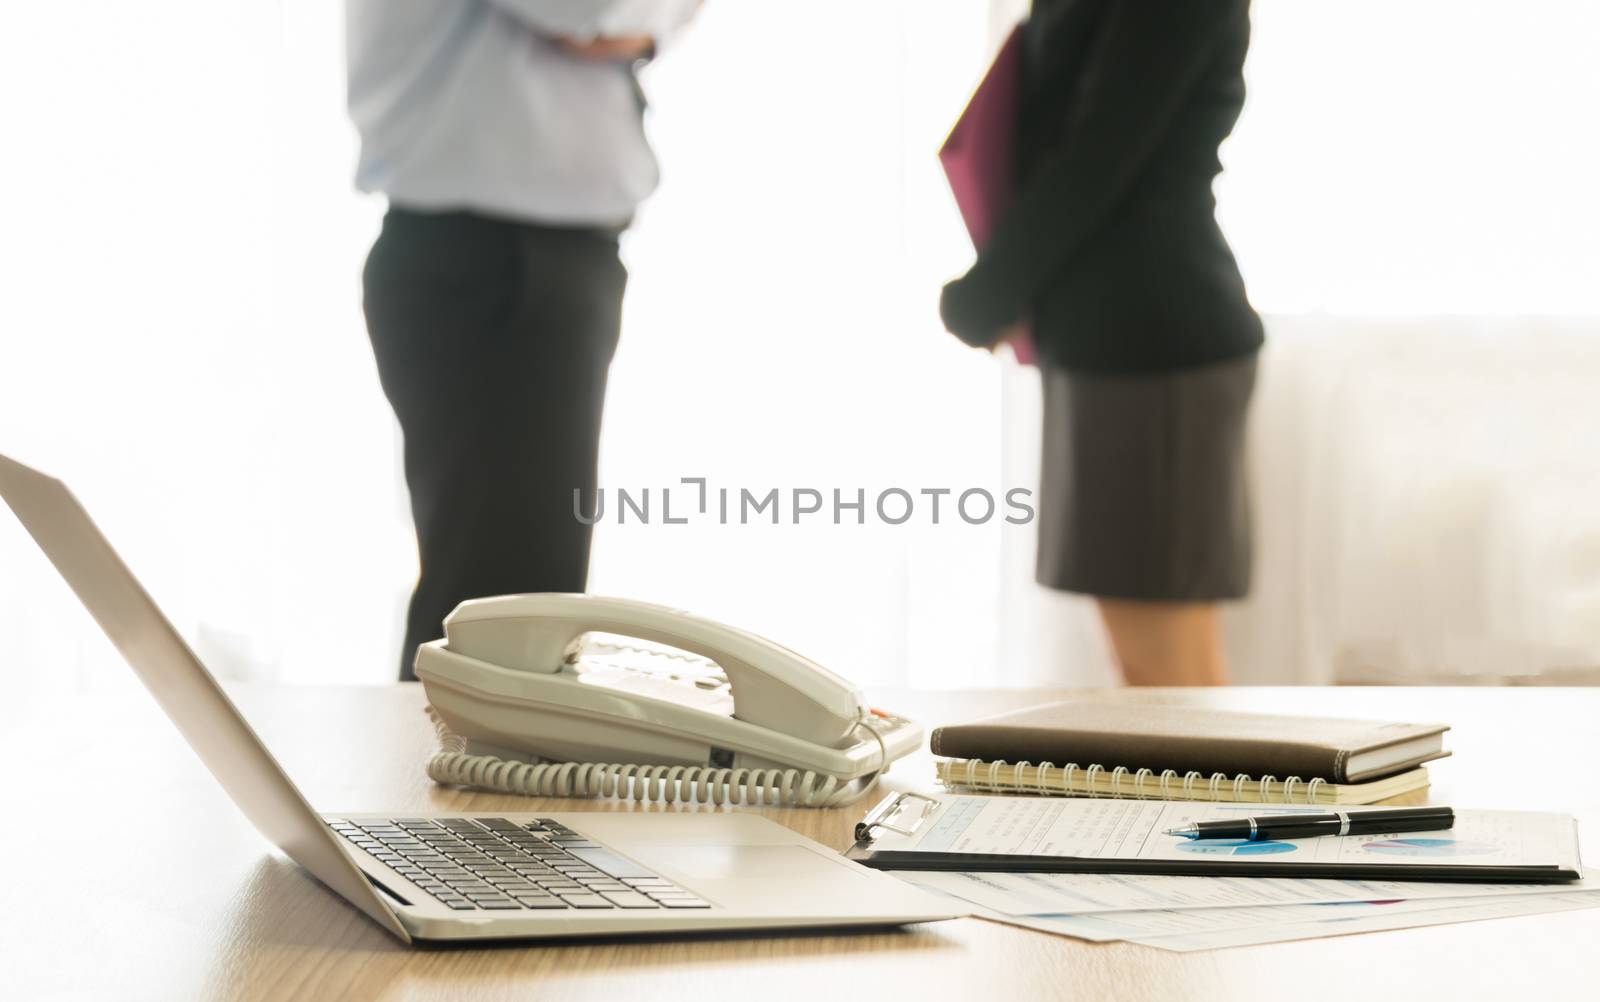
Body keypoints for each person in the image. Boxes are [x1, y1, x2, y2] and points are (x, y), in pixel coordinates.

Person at [346, 0, 700, 679]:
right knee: (503, 619)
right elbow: (588, 9)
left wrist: (627, 27)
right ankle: (436, 786)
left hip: (538, 258)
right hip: (491, 261)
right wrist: (628, 27)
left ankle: (451, 781)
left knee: (519, 606)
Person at [939, 0, 1262, 685]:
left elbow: (1100, 155)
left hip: (1154, 347)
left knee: (1165, 676)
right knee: (1152, 673)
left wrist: (987, 294)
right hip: (1111, 343)